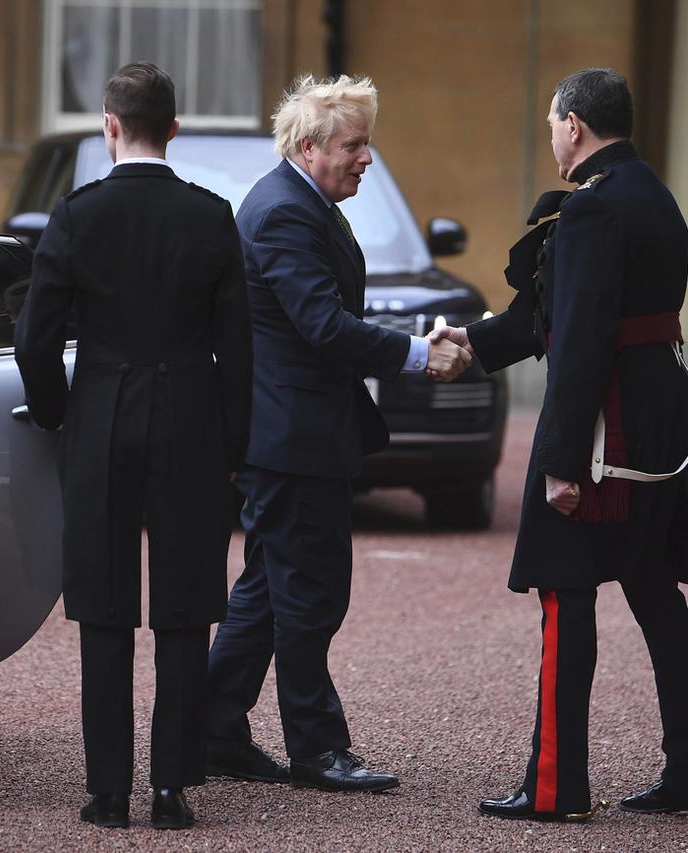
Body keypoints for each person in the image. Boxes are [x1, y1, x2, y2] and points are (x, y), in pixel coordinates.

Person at [432, 67, 688, 821]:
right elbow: (548, 317)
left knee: (565, 592)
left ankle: (556, 786)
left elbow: (580, 342)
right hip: (659, 416)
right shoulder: (653, 196)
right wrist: (468, 342)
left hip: (607, 426)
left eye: (551, 125)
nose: (551, 137)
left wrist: (563, 462)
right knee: (654, 590)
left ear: (573, 124)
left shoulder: (595, 211)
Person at [204, 74, 473, 793]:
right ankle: (317, 749)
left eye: (367, 143)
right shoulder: (286, 213)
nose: (366, 158)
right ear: (309, 146)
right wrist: (419, 352)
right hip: (291, 439)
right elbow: (322, 326)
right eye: (355, 145)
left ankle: (212, 728)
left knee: (268, 589)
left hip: (293, 434)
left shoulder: (300, 200)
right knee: (310, 594)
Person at [14, 62, 252, 830]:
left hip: (103, 417)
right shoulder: (212, 216)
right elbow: (238, 350)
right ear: (174, 130)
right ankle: (171, 788)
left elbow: (35, 340)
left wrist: (57, 413)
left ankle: (109, 791)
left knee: (105, 607)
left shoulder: (78, 213)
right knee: (185, 609)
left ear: (109, 126)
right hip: (189, 416)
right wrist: (235, 444)